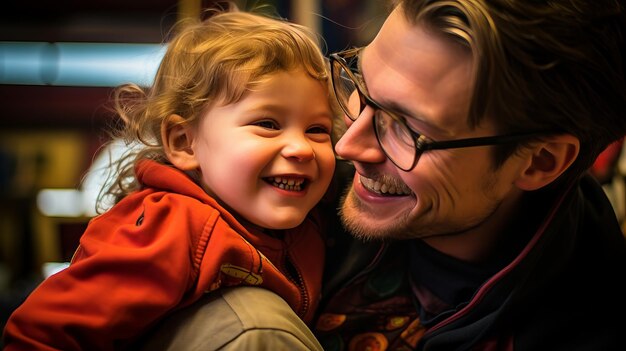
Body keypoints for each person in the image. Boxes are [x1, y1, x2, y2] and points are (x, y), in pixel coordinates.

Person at [2, 5, 337, 351]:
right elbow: (41, 333)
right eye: (268, 124)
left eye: (318, 130)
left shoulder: (307, 224)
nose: (301, 148)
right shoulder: (169, 226)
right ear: (183, 142)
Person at [313, 0, 626, 350]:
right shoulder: (303, 182)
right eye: (360, 79)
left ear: (540, 162)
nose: (347, 147)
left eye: (405, 128)